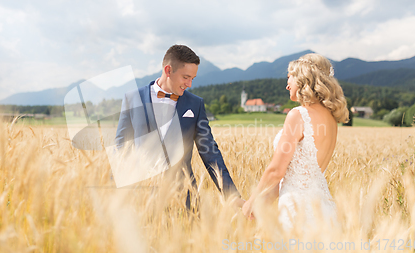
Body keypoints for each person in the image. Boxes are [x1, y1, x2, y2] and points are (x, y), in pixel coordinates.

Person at [115, 44, 244, 211]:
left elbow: (210, 152)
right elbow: (120, 149)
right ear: (168, 70)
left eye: (192, 78)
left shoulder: (195, 104)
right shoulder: (132, 98)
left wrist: (231, 195)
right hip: (141, 198)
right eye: (185, 77)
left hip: (185, 198)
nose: (189, 84)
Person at [242, 53, 349, 232]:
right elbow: (296, 176)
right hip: (324, 207)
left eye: (289, 77)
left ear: (302, 78)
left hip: (297, 209)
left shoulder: (298, 115)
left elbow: (277, 171)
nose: (287, 85)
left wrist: (251, 202)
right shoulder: (331, 118)